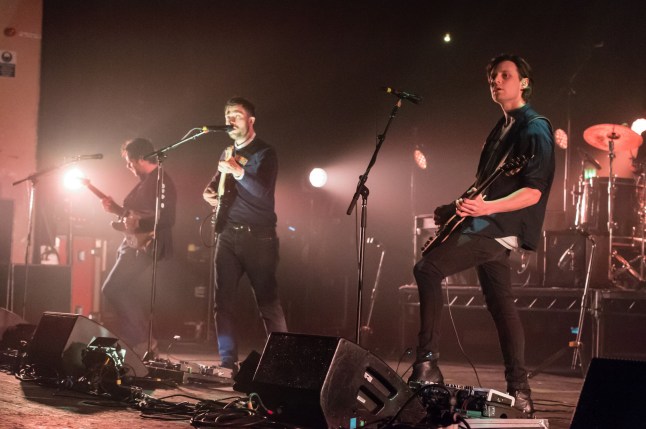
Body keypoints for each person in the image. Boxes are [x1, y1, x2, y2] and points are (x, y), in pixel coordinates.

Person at [409, 54, 555, 417]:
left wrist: (486, 209)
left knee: (427, 269)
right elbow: (486, 185)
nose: (497, 81)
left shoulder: (535, 127)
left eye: (505, 75)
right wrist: (454, 207)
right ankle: (520, 391)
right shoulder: (500, 127)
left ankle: (427, 362)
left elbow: (533, 192)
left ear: (523, 82)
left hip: (496, 229)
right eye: (493, 76)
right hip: (486, 226)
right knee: (502, 307)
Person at [203, 97, 287, 373]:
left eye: (236, 115)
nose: (230, 120)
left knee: (267, 303)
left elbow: (263, 194)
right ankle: (228, 362)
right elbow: (215, 185)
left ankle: (281, 362)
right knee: (222, 302)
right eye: (227, 114)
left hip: (259, 238)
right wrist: (209, 193)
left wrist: (238, 171)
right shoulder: (227, 151)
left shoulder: (265, 152)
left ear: (251, 121)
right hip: (227, 235)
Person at [100, 138, 177, 357]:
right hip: (133, 244)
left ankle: (143, 340)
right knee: (119, 288)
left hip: (146, 245)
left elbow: (167, 218)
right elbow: (133, 214)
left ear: (140, 158)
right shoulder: (146, 181)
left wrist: (139, 224)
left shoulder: (160, 180)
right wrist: (115, 209)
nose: (128, 166)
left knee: (113, 288)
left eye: (129, 161)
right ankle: (139, 340)